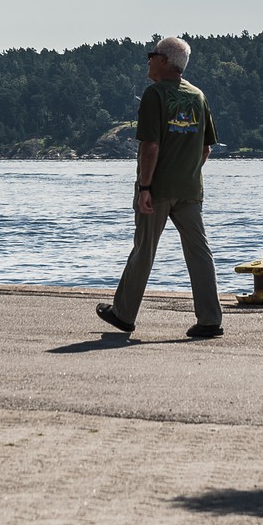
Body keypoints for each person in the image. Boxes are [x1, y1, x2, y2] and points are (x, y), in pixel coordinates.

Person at [96, 36, 224, 339]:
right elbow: (206, 148)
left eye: (151, 54)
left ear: (164, 61)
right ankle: (210, 319)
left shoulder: (155, 95)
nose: (148, 60)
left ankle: (124, 314)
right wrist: (187, 172)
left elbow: (150, 146)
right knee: (199, 252)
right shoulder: (198, 96)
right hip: (190, 189)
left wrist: (145, 187)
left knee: (144, 249)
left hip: (157, 189)